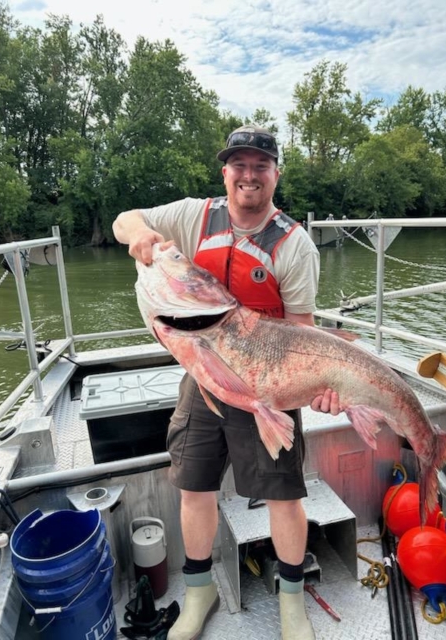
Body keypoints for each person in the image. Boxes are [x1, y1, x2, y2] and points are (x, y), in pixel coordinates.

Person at [113, 124, 340, 640]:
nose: (249, 175)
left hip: (270, 381)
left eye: (261, 165)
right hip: (204, 376)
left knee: (284, 497)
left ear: (276, 174)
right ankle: (199, 592)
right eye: (240, 164)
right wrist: (143, 236)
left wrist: (317, 387)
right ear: (225, 171)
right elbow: (125, 219)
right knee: (193, 487)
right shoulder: (195, 214)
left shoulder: (295, 245)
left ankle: (291, 603)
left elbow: (303, 333)